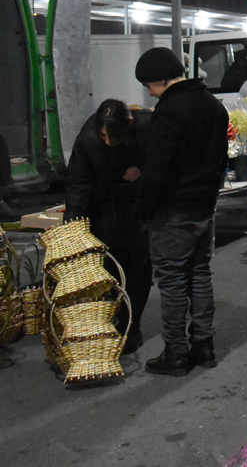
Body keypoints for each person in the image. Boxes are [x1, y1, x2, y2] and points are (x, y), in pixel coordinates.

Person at [132, 46, 229, 376]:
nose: (149, 91)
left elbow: (157, 169)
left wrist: (144, 210)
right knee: (200, 274)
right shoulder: (214, 106)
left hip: (173, 210)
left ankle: (175, 353)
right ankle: (204, 344)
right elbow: (221, 161)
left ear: (161, 79)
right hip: (205, 206)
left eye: (150, 85)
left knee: (172, 282)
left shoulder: (169, 110)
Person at [65, 98, 153, 354]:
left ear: (127, 124)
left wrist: (141, 170)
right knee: (107, 270)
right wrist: (73, 226)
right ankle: (108, 325)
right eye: (103, 135)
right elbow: (78, 184)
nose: (106, 142)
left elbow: (161, 162)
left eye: (111, 137)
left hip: (133, 209)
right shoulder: (88, 138)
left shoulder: (145, 127)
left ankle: (130, 328)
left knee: (136, 268)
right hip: (102, 207)